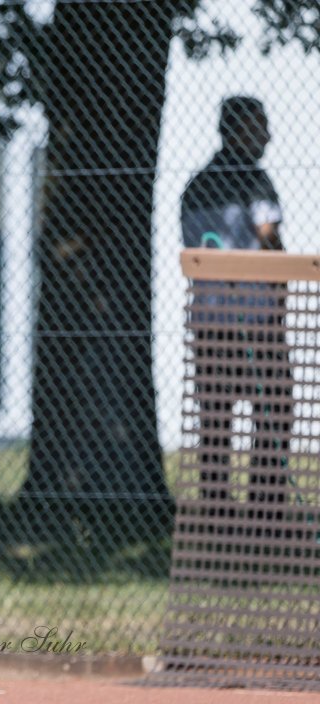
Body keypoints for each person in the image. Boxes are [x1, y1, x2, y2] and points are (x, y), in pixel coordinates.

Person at [179, 95, 290, 513]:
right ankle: (266, 507)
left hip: (208, 321)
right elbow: (267, 231)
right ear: (238, 128)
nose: (268, 136)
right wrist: (281, 283)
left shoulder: (195, 186)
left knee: (216, 418)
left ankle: (216, 509)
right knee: (275, 408)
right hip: (255, 320)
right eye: (259, 126)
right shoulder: (254, 180)